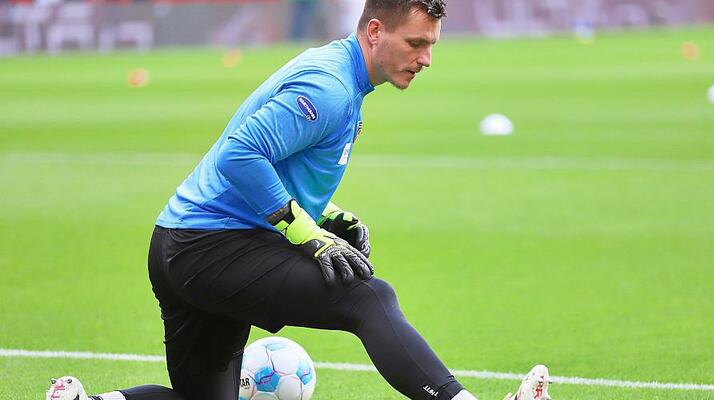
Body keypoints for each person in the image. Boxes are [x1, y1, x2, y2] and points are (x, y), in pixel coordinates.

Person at [46, 1, 552, 399]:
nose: (426, 59)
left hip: (178, 243)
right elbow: (240, 154)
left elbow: (275, 160)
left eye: (432, 45)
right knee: (369, 297)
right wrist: (304, 231)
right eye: (416, 43)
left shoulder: (340, 75)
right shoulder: (330, 87)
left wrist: (331, 216)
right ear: (374, 32)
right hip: (211, 246)